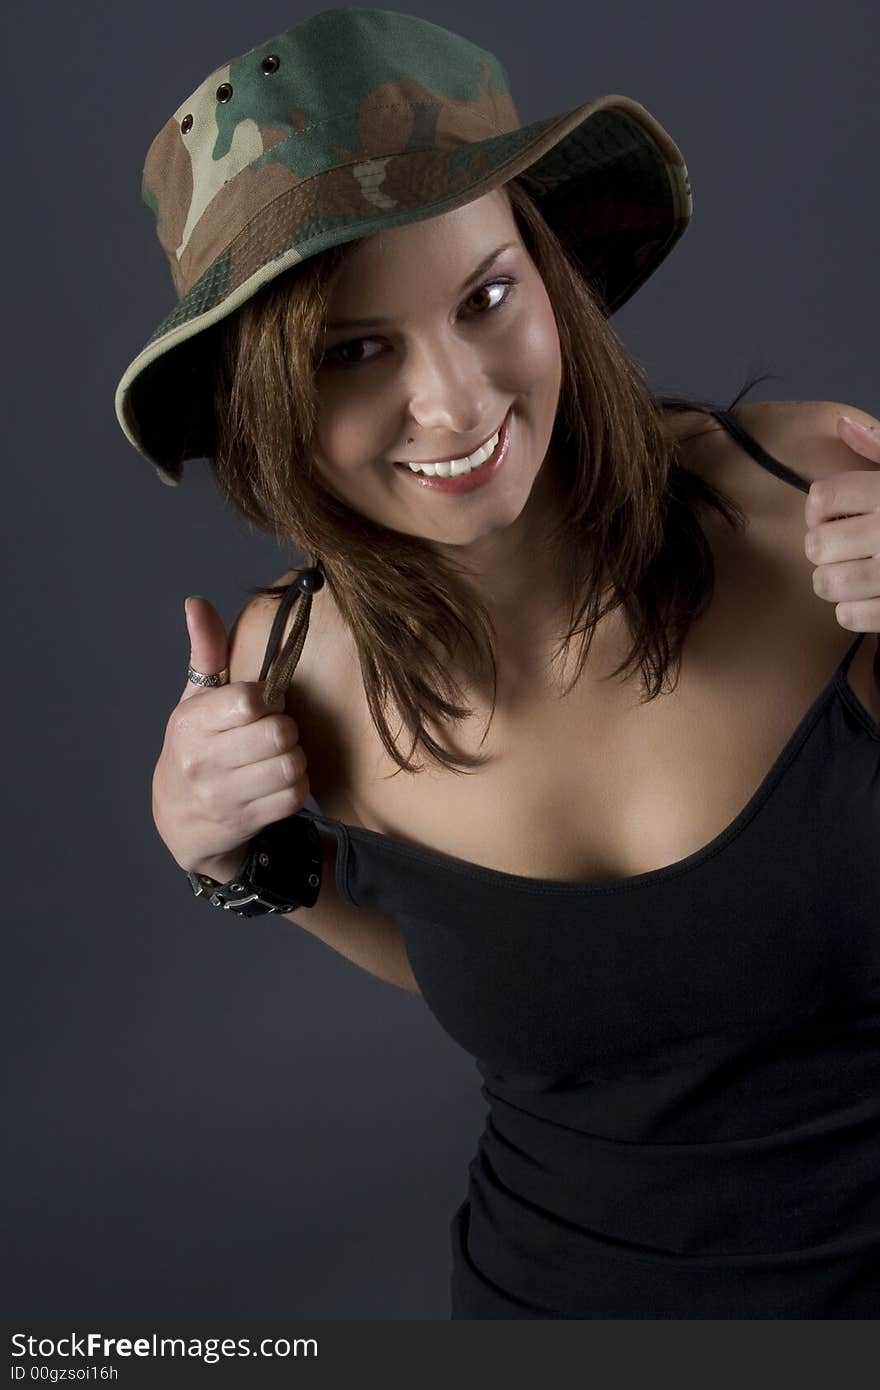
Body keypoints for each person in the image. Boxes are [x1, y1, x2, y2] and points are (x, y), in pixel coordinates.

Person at [116, 7, 880, 1318]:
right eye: (356, 351)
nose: (457, 403)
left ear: (551, 272)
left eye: (486, 298)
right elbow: (542, 974)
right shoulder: (294, 668)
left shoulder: (814, 500)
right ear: (264, 395)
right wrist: (236, 862)